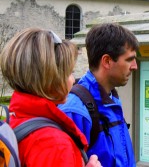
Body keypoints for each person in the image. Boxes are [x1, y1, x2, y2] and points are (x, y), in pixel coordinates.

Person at [0, 28, 102, 167]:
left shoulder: (17, 118)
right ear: (50, 79)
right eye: (69, 73)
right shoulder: (54, 144)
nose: (73, 80)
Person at [59, 23, 139, 167]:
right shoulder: (74, 111)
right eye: (129, 59)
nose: (135, 66)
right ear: (107, 61)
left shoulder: (111, 99)